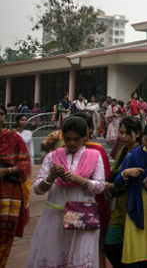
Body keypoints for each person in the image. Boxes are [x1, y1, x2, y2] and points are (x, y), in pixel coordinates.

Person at [25, 116, 105, 268]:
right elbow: (37, 189)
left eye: (77, 139)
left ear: (85, 137)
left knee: (80, 257)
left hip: (82, 216)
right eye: (68, 139)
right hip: (55, 216)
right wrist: (51, 177)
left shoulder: (95, 156)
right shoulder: (52, 157)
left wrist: (79, 180)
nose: (72, 143)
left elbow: (100, 186)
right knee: (53, 255)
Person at [114, 119, 147, 268]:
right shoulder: (133, 156)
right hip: (137, 207)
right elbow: (117, 183)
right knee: (136, 253)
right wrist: (125, 173)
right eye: (146, 140)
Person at [105, 115, 142, 268]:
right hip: (118, 204)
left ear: (137, 134)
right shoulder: (122, 151)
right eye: (121, 132)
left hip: (134, 204)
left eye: (127, 133)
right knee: (112, 243)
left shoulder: (142, 153)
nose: (123, 136)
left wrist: (112, 185)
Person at [0, 106, 31, 268]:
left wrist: (6, 171)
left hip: (9, 196)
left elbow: (26, 164)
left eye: (1, 114)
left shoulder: (14, 139)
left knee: (4, 235)